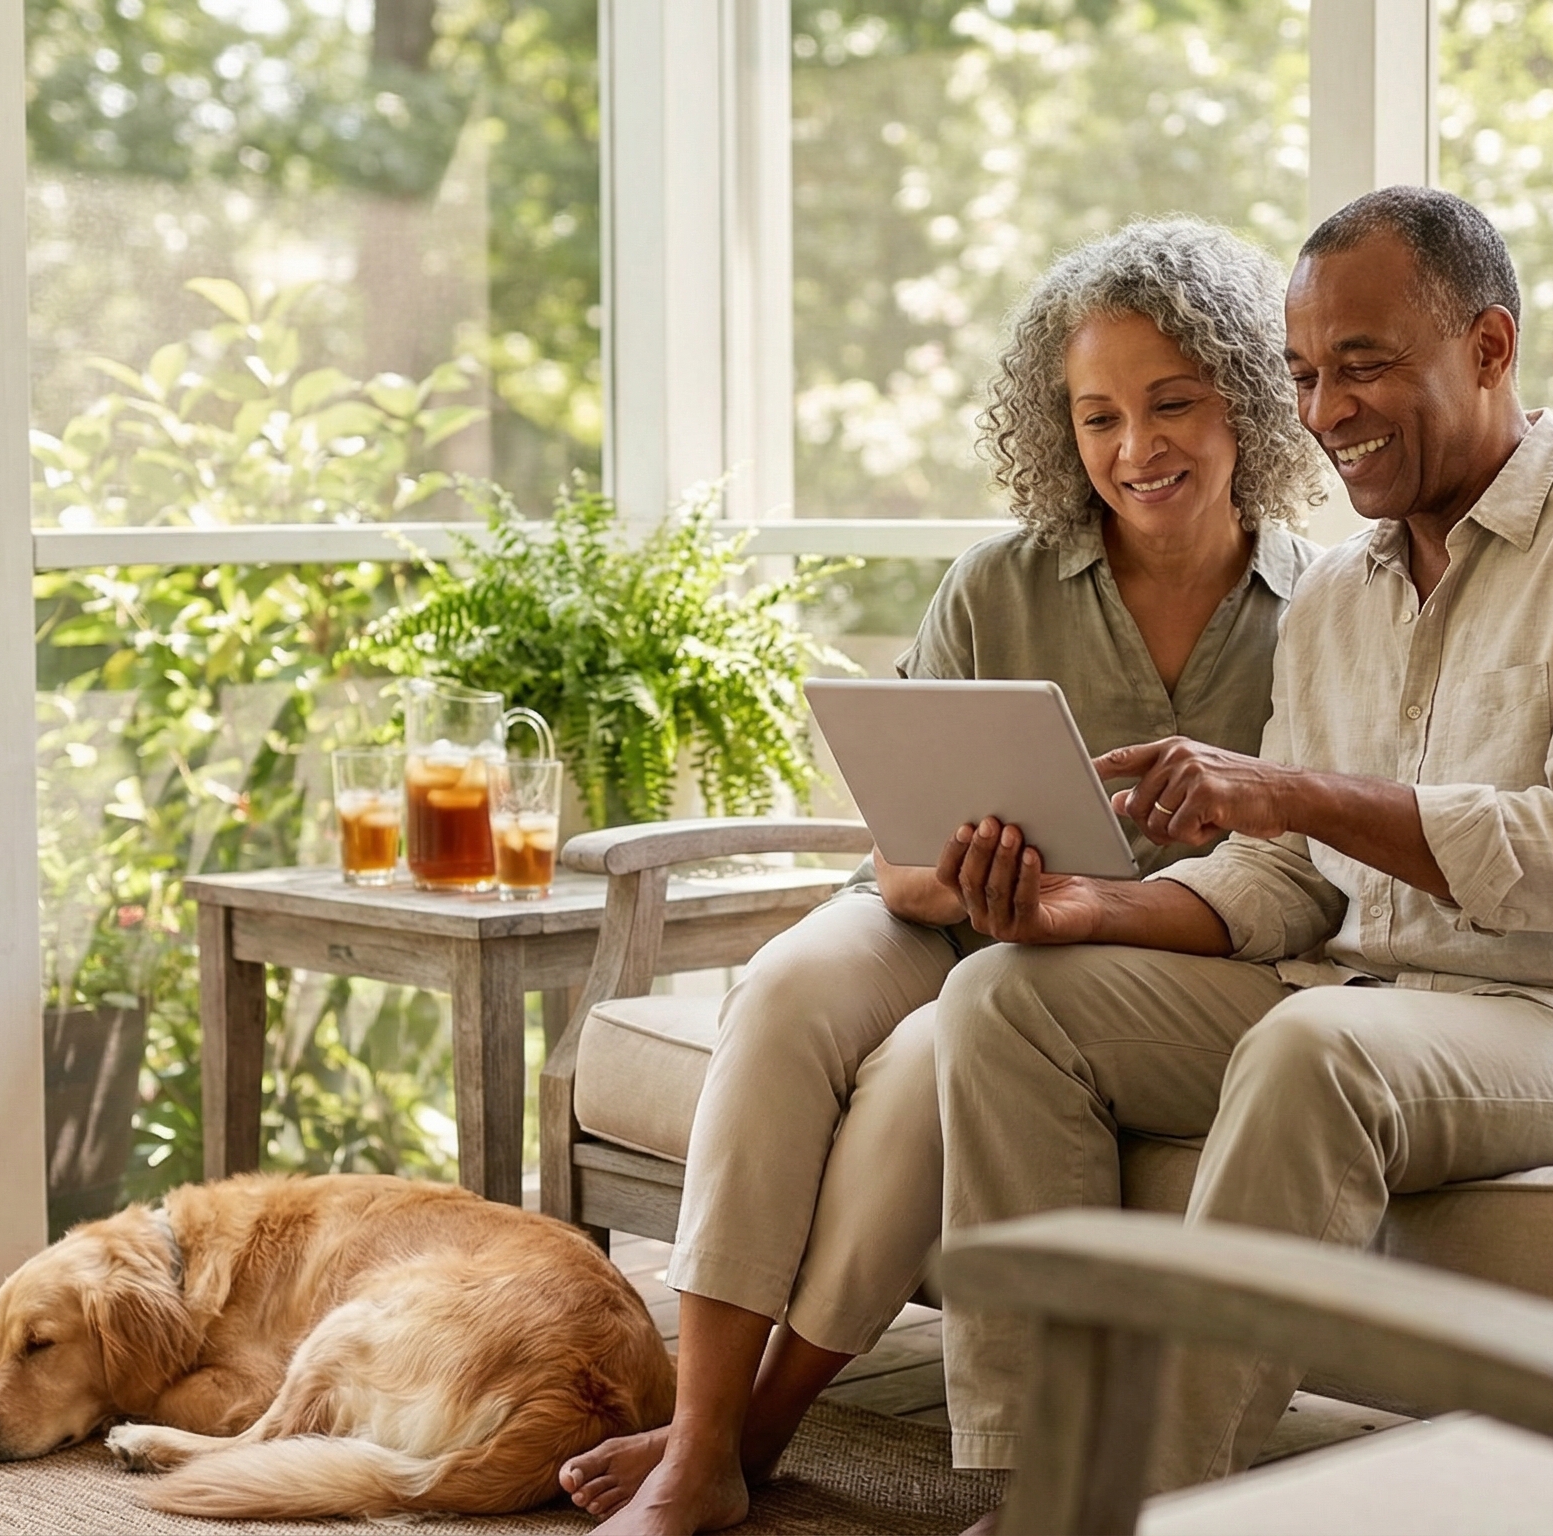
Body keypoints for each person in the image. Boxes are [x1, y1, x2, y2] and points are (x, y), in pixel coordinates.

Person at [929, 185, 1553, 1492]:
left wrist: (1299, 794)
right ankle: (1043, 1479)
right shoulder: (1340, 600)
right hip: (1365, 992)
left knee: (1316, 1045)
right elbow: (1287, 876)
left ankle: (1149, 1504)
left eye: (1363, 365)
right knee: (1006, 998)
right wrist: (1088, 912)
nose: (1325, 412)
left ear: (1489, 348)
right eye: (1305, 374)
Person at [559, 217, 1327, 1536]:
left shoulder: (1320, 612)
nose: (1135, 448)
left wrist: (1064, 918)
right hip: (939, 913)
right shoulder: (996, 585)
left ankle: (752, 1433)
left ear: (1248, 401)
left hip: (1118, 970)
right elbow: (895, 855)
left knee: (933, 1065)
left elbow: (1291, 883)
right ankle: (698, 1437)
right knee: (787, 987)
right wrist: (956, 885)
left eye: (1172, 404)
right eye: (1097, 417)